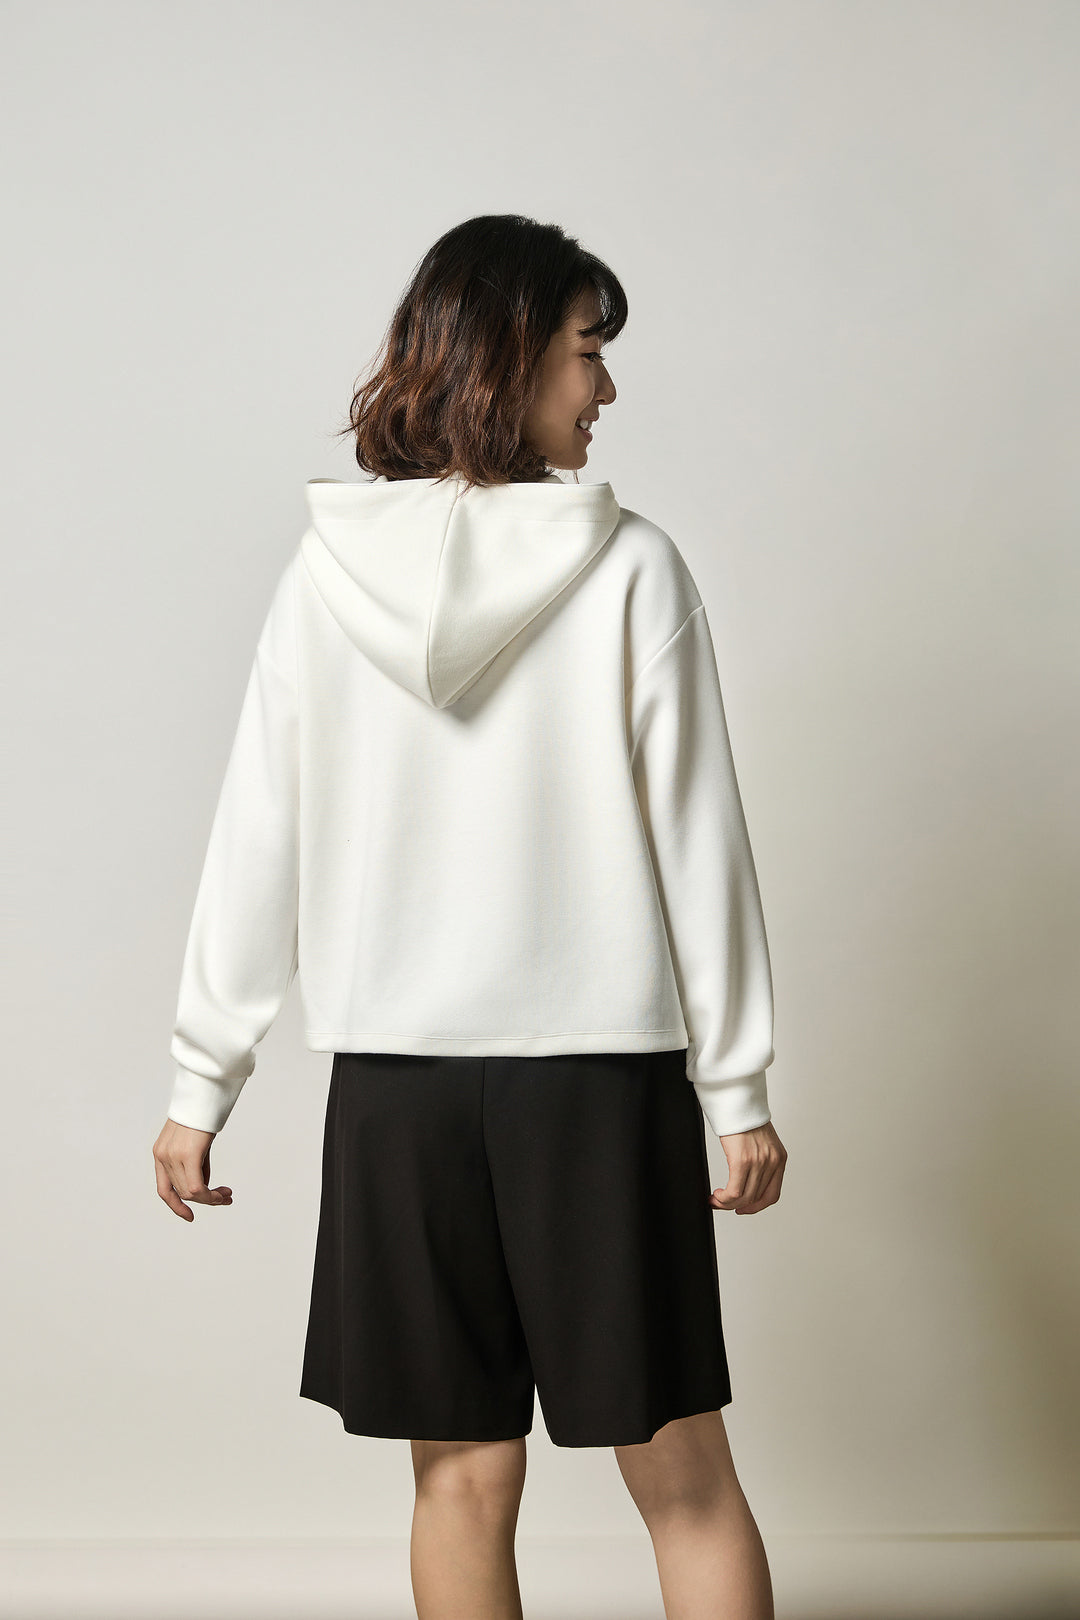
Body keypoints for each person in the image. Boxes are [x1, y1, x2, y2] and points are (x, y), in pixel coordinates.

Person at [152, 213, 786, 1620]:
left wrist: (204, 1078)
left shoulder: (324, 575)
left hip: (401, 1086)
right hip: (595, 1080)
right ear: (509, 354)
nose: (606, 390)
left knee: (456, 1480)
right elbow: (701, 844)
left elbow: (258, 835)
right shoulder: (632, 567)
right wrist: (737, 1087)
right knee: (683, 1478)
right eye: (586, 352)